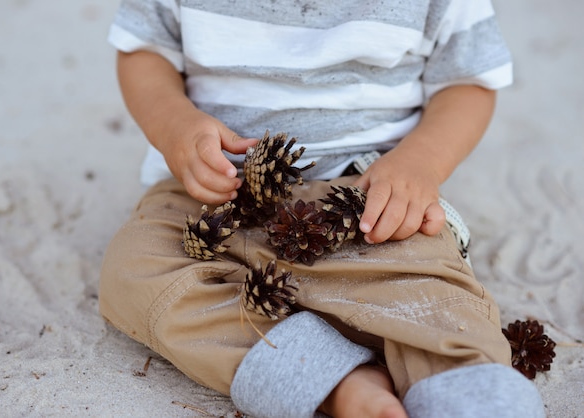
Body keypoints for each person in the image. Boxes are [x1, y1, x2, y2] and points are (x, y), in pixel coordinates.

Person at [99, 1, 545, 417]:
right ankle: (336, 380)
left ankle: (465, 392)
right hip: (213, 196)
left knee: (427, 292)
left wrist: (421, 162)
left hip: (366, 199)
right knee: (136, 266)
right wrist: (174, 125)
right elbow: (145, 53)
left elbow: (466, 83)